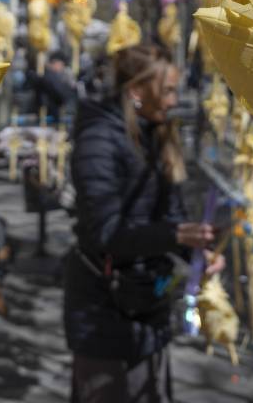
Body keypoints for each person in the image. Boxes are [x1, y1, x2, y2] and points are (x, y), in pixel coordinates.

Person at [63, 44, 215, 402]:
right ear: (136, 93)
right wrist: (173, 235)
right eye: (167, 91)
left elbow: (170, 215)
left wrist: (196, 252)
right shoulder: (98, 140)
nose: (175, 100)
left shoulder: (156, 134)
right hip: (104, 313)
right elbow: (105, 232)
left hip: (149, 301)